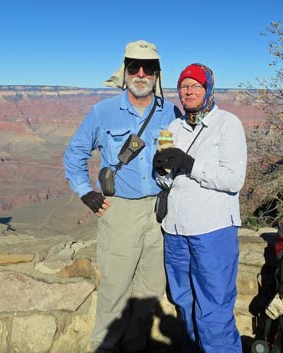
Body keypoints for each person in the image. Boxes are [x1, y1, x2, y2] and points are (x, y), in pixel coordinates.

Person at [63, 40, 180, 353]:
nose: (141, 74)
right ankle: (104, 347)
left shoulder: (170, 111)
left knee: (151, 290)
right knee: (115, 289)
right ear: (125, 71)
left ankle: (136, 347)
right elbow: (74, 154)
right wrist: (86, 191)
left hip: (158, 211)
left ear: (157, 73)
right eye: (134, 67)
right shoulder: (103, 112)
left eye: (149, 68)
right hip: (120, 211)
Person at [153, 63, 247, 353]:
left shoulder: (227, 124)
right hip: (176, 231)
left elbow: (234, 179)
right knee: (183, 302)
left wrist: (191, 165)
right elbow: (166, 181)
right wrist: (160, 171)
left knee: (213, 312)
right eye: (184, 86)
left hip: (212, 230)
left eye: (196, 85)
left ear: (208, 89)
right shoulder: (174, 127)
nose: (189, 91)